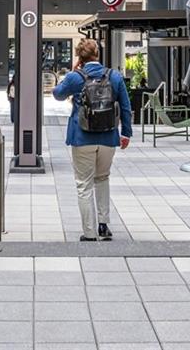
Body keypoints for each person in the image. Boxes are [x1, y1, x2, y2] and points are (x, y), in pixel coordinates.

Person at [53, 38, 132, 242]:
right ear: (97, 53)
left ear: (79, 57)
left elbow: (57, 94)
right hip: (108, 136)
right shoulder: (114, 76)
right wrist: (126, 133)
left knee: (84, 184)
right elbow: (125, 107)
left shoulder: (75, 77)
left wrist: (72, 72)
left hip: (82, 137)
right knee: (102, 178)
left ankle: (89, 232)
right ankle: (103, 225)